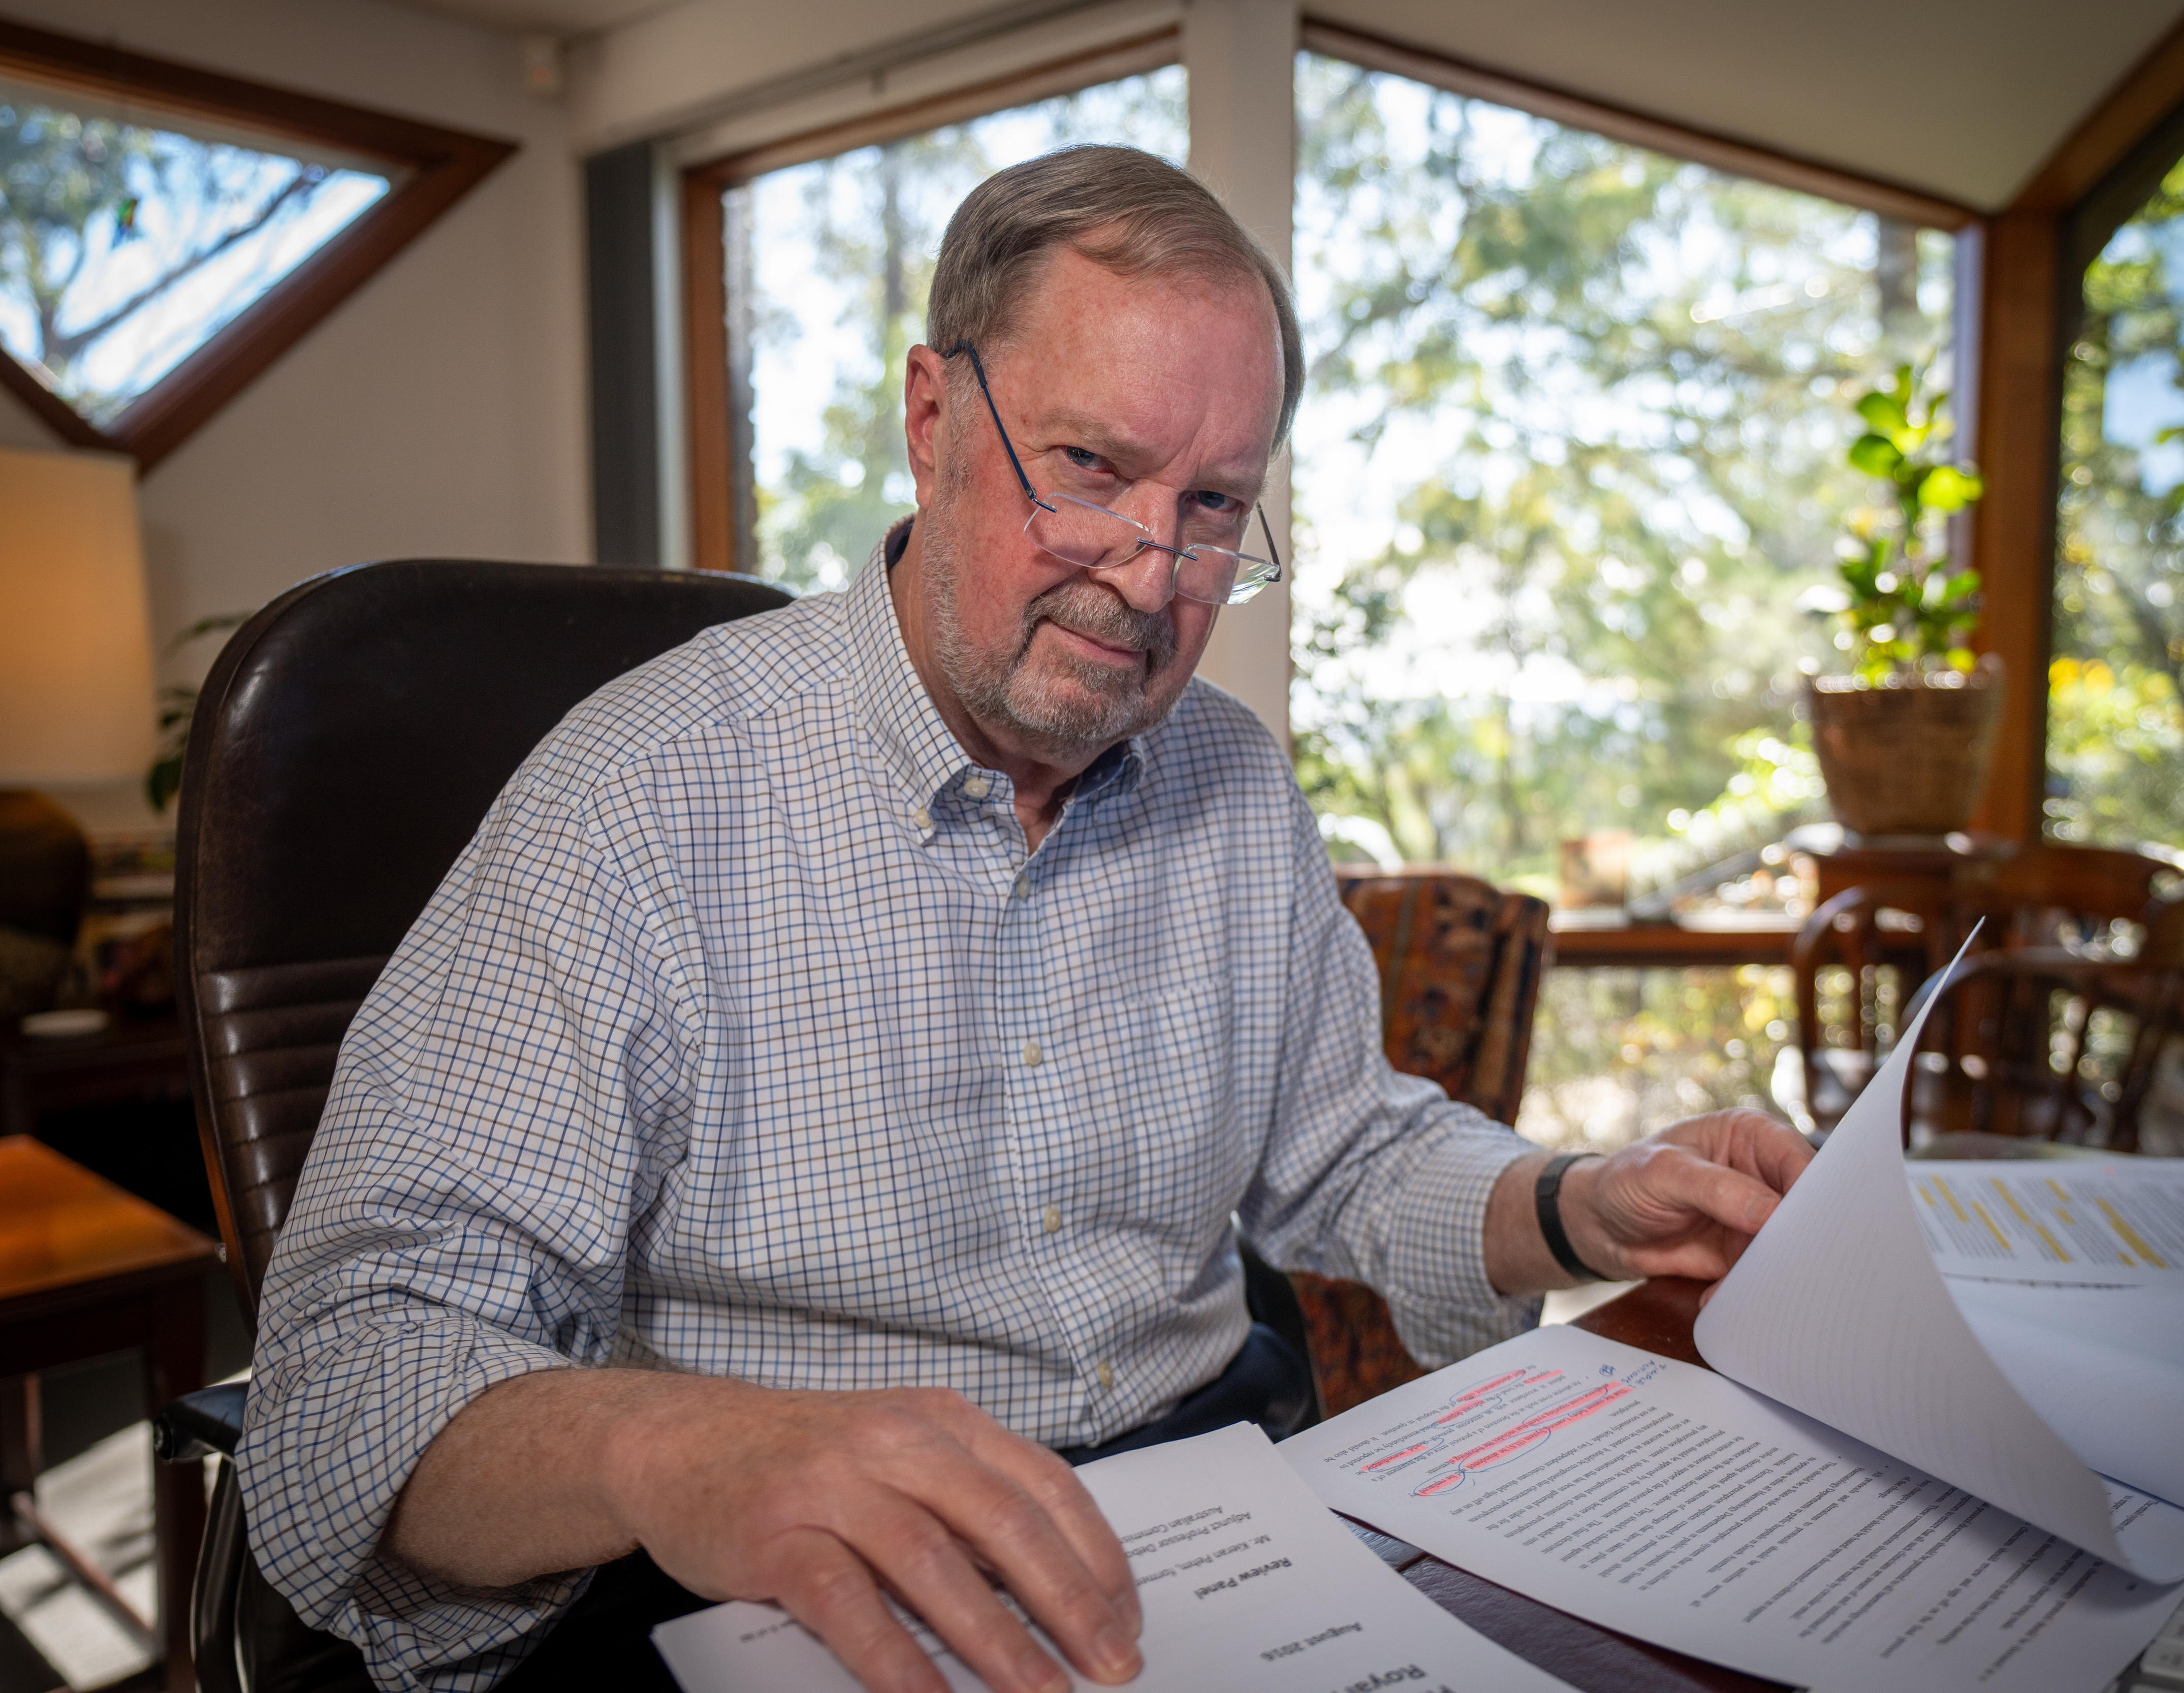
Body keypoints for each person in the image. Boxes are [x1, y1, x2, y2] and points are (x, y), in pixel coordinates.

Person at [239, 145, 1813, 1693]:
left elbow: (1345, 1151)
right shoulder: (640, 800)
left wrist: (1583, 1201)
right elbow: (349, 1382)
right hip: (781, 1583)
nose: (1148, 576)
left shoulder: (1234, 786)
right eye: (1090, 469)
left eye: (1212, 507)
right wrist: (678, 1448)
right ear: (933, 420)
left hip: (1216, 1518)